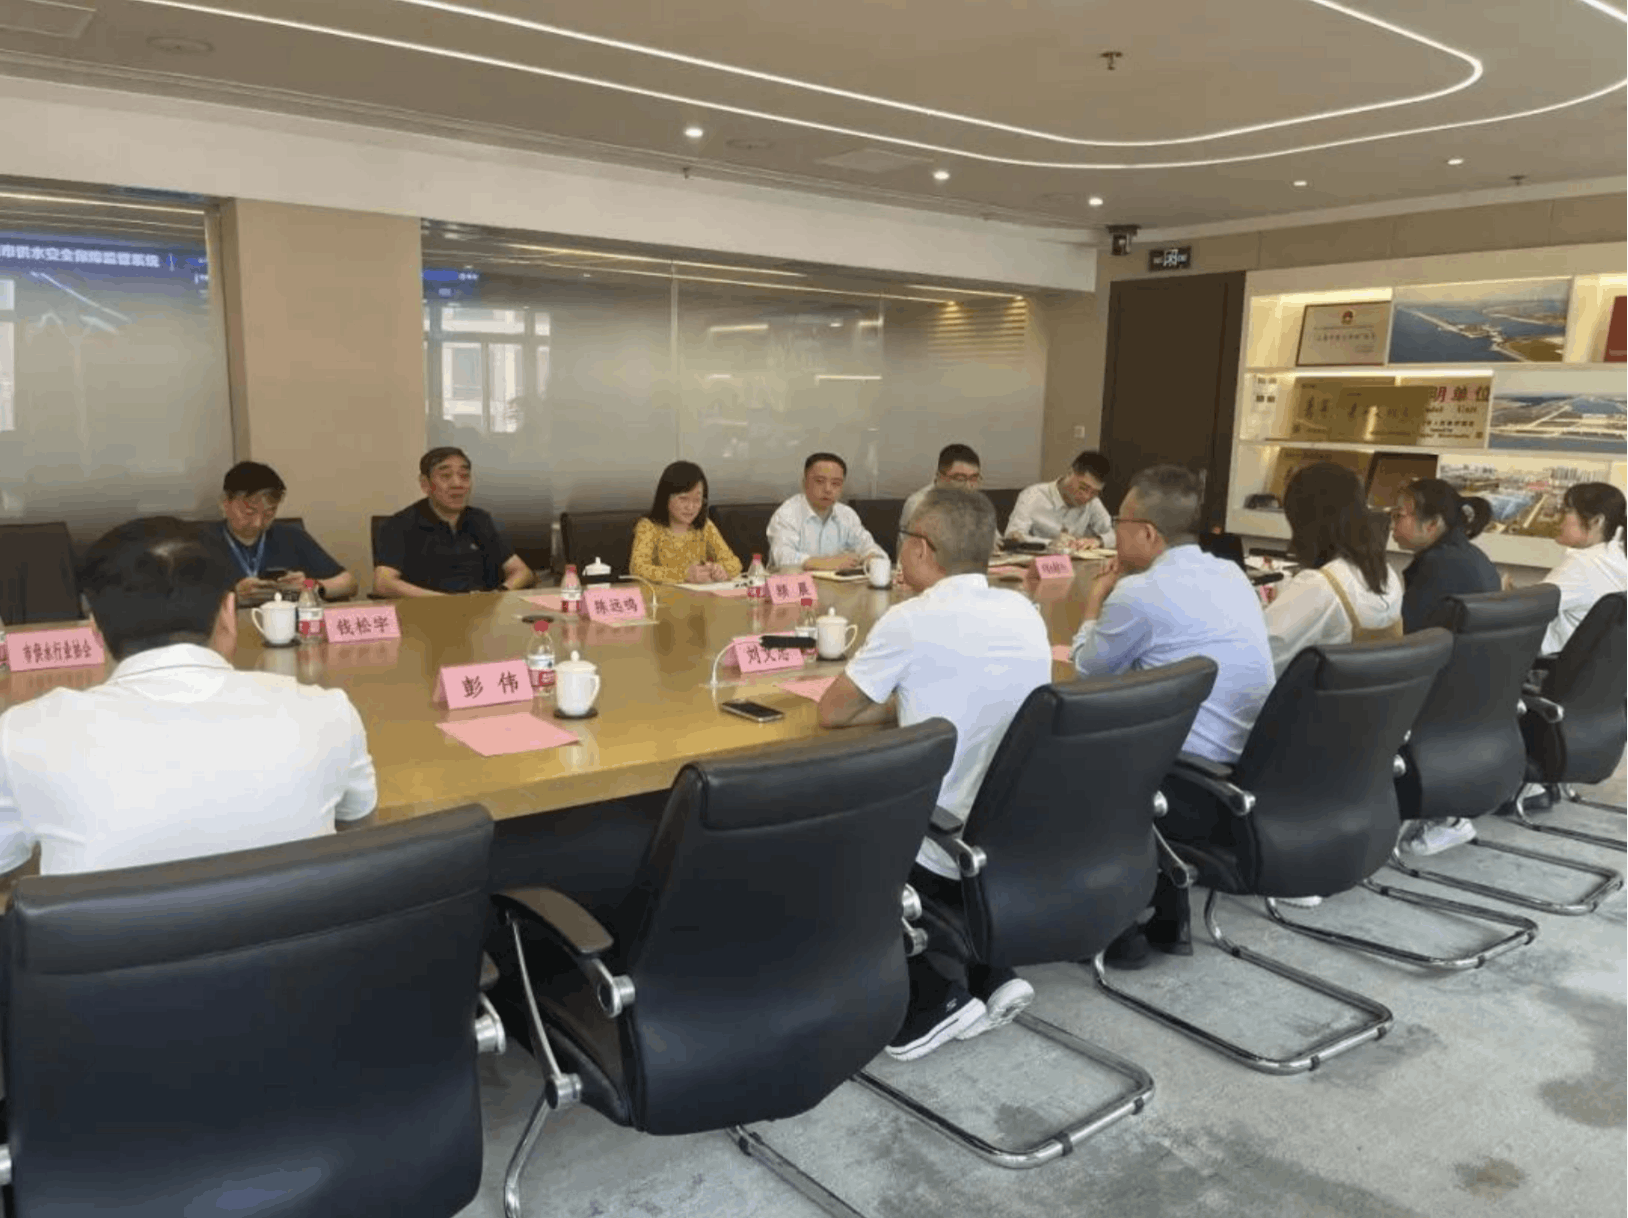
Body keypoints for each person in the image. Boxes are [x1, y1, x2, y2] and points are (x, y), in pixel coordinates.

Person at [0, 516, 377, 882]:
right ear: (229, 612)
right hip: (294, 926)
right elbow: (358, 826)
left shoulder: (23, 734)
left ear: (95, 628)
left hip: (109, 930)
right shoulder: (328, 713)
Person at [818, 488, 1052, 1060]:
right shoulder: (1024, 610)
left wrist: (899, 697)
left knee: (830, 826)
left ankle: (930, 1001)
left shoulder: (910, 620)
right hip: (1015, 836)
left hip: (943, 842)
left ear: (921, 548)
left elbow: (832, 712)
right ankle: (991, 972)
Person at [1054, 465, 1274, 966]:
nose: (1115, 532)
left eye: (1120, 522)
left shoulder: (1139, 594)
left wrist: (1093, 604)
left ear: (1148, 533)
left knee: (1062, 748)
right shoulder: (1231, 574)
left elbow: (1087, 670)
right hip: (1246, 770)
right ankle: (1159, 900)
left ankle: (1110, 914)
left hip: (1185, 784)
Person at [1265, 462, 1403, 676]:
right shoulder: (1388, 576)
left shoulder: (1321, 585)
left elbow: (1261, 655)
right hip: (1363, 694)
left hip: (1306, 697)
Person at [374, 447, 534, 596]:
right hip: (426, 610)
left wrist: (497, 594)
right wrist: (448, 602)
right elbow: (383, 583)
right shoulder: (400, 524)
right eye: (445, 476)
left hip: (480, 610)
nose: (457, 484)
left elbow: (522, 572)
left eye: (464, 476)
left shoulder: (480, 519)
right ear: (425, 484)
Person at [216, 461, 358, 604]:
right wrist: (233, 597)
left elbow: (349, 583)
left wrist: (310, 586)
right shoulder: (205, 542)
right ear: (225, 503)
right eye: (249, 512)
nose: (258, 523)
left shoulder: (290, 536)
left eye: (268, 513)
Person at [1391, 478, 1499, 633]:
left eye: (1398, 515)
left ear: (1432, 524)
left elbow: (1405, 634)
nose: (1392, 525)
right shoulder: (1476, 556)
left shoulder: (1435, 565)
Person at [1537, 482, 1626, 657]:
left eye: (1566, 511)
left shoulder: (1583, 563)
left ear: (1597, 521)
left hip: (1549, 664)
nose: (1557, 517)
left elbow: (1527, 609)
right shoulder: (1616, 556)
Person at [767, 452, 885, 571]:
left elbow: (870, 547)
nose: (828, 489)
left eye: (835, 483)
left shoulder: (847, 515)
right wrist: (826, 563)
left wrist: (871, 559)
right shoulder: (787, 514)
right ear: (804, 483)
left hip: (838, 583)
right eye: (819, 481)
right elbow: (783, 557)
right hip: (796, 582)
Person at [629, 460, 743, 584]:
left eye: (697, 500)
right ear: (665, 497)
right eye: (683, 499)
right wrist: (684, 575)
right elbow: (637, 569)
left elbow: (734, 563)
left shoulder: (705, 526)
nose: (690, 507)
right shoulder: (648, 527)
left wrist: (721, 570)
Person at [1005, 450, 1113, 549]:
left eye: (1094, 492)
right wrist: (1049, 543)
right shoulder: (1033, 495)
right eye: (1083, 488)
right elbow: (1012, 537)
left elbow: (1114, 534)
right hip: (1037, 561)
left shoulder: (1093, 503)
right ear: (1070, 473)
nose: (1086, 496)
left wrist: (1098, 541)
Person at [900, 443, 982, 533]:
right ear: (940, 477)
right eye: (960, 479)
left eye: (974, 479)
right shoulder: (917, 505)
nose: (968, 486)